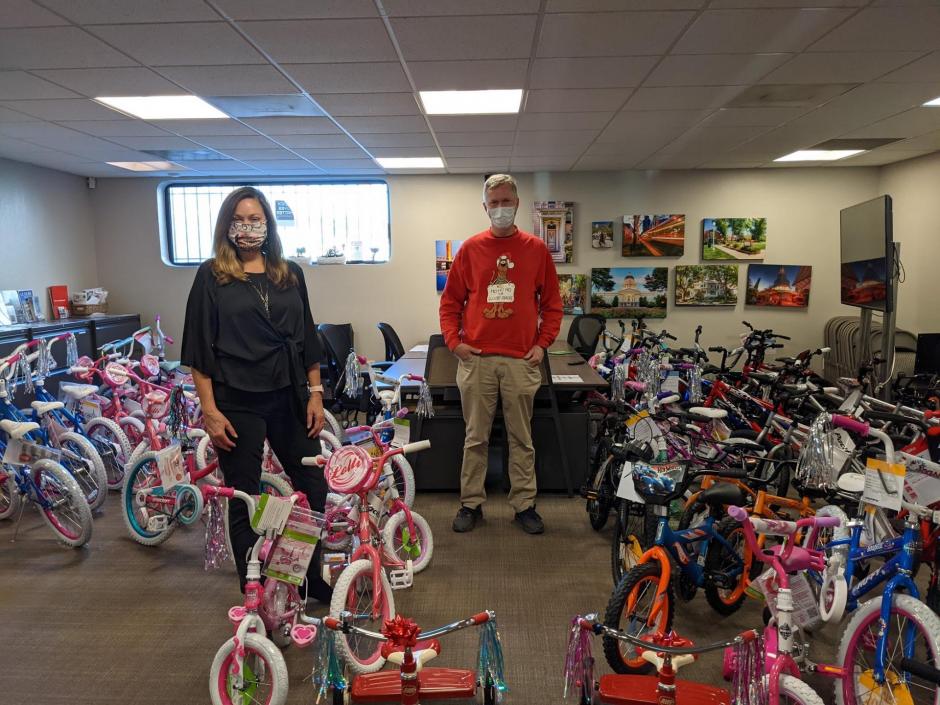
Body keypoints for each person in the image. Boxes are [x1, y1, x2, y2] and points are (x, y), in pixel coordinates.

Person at [180, 186, 330, 600]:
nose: (248, 227)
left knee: (313, 487)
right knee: (246, 497)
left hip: (287, 397)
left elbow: (307, 340)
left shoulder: (290, 273)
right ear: (227, 226)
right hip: (236, 401)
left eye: (256, 219)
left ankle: (304, 574)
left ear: (268, 224)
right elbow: (198, 350)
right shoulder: (211, 276)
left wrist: (315, 394)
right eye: (240, 219)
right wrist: (209, 411)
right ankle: (254, 587)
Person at [439, 174, 562, 535]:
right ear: (484, 207)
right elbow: (450, 304)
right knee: (475, 437)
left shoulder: (536, 249)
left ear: (517, 204)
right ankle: (471, 503)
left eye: (506, 202)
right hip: (476, 359)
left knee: (521, 438)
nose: (500, 209)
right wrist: (454, 343)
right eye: (494, 203)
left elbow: (553, 305)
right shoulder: (470, 250)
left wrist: (542, 344)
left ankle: (524, 504)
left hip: (522, 360)